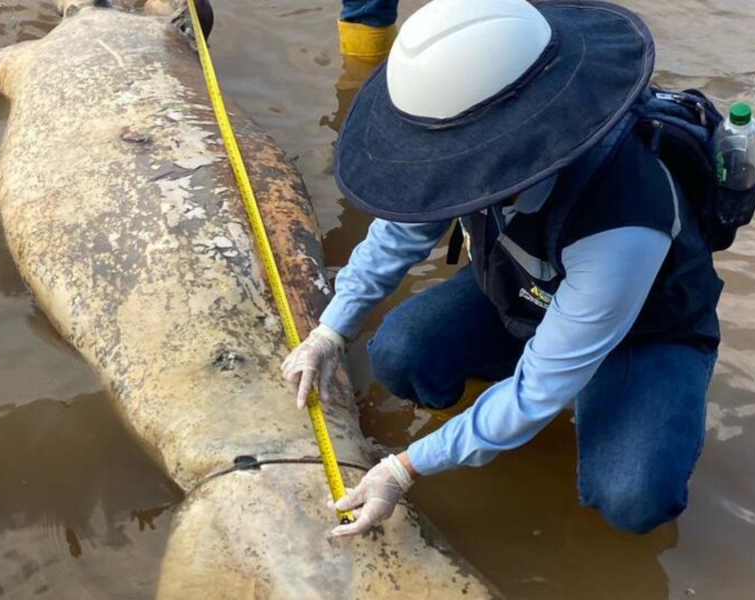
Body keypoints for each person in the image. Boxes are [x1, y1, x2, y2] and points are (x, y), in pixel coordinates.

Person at [282, 0, 724, 537]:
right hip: (525, 286)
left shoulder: (624, 220)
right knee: (401, 355)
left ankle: (621, 407)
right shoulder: (473, 154)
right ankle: (493, 423)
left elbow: (539, 390)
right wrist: (330, 329)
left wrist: (404, 467)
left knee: (632, 496)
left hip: (645, 330)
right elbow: (400, 232)